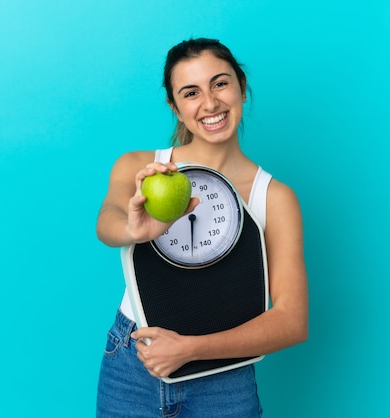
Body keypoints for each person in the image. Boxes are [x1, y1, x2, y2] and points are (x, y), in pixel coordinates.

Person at [95, 37, 308, 417]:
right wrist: (135, 230)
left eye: (220, 83)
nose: (210, 104)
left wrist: (189, 349)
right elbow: (107, 224)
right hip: (132, 364)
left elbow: (292, 321)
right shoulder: (141, 168)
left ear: (242, 87)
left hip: (224, 379)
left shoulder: (273, 197)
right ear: (174, 106)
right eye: (190, 92)